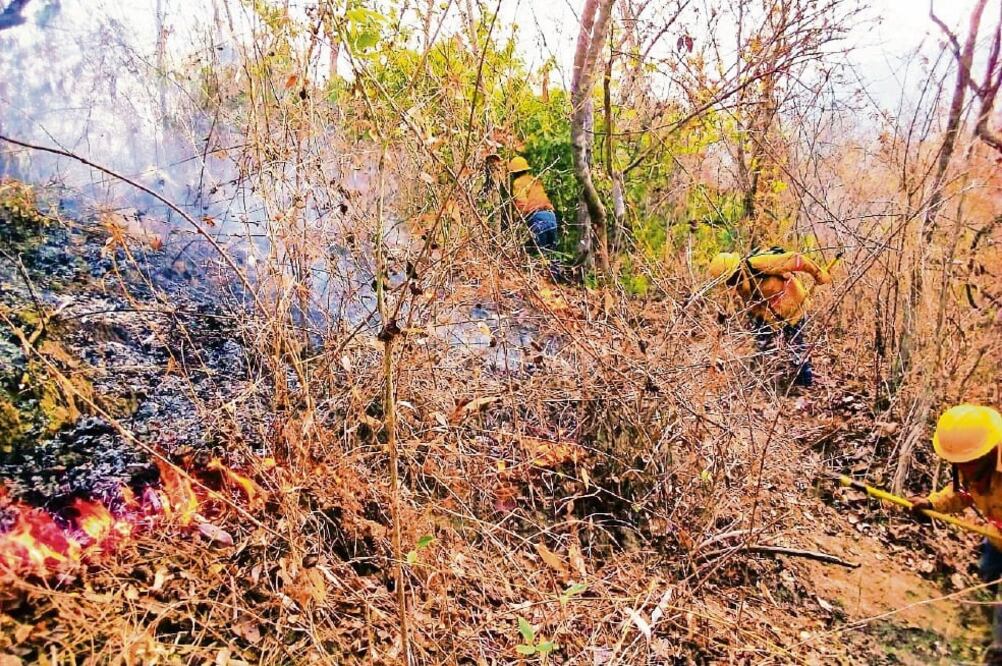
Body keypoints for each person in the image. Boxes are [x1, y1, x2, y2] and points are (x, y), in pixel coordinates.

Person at [910, 404, 1002, 664]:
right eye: (957, 463)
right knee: (988, 576)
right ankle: (985, 623)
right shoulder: (971, 466)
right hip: (996, 538)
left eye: (965, 463)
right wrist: (932, 504)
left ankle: (997, 649)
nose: (960, 468)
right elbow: (961, 493)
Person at [707, 247, 832, 387]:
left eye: (733, 280)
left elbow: (797, 259)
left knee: (796, 347)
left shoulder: (759, 264)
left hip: (794, 307)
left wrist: (818, 274)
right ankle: (757, 382)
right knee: (761, 345)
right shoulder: (738, 284)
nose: (733, 286)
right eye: (728, 282)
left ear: (737, 269)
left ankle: (804, 385)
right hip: (769, 316)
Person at [507, 156, 557, 253]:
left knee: (539, 255)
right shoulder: (534, 180)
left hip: (537, 218)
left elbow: (521, 202)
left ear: (514, 172)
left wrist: (517, 218)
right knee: (551, 254)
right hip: (551, 217)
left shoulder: (518, 182)